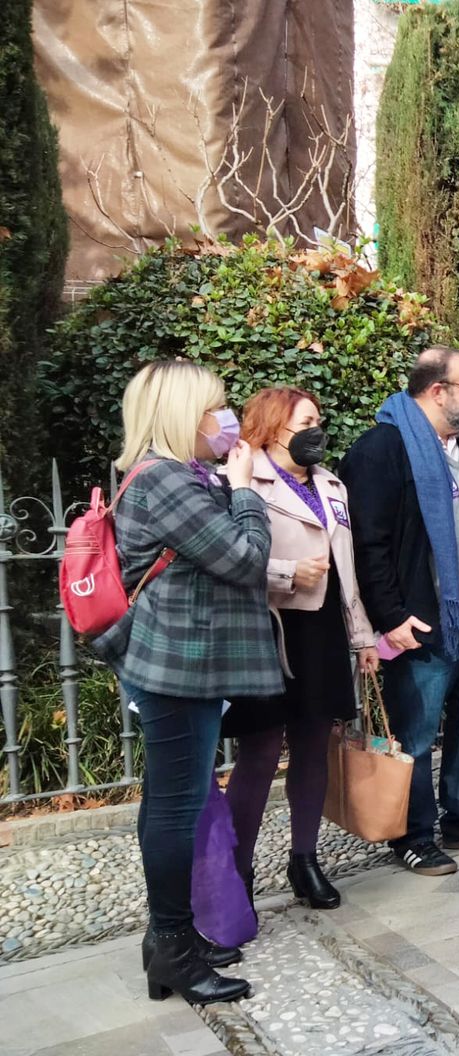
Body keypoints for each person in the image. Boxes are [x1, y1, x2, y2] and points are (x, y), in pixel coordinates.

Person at [94, 360, 278, 1005]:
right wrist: (246, 490)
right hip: (175, 666)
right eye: (213, 407)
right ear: (181, 414)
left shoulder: (175, 476)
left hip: (180, 664)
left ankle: (166, 944)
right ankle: (173, 945)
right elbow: (245, 558)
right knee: (176, 806)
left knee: (170, 801)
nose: (223, 418)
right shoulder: (166, 480)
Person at [342, 347, 459, 877]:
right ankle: (413, 835)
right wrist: (391, 617)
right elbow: (368, 544)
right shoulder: (383, 448)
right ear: (437, 391)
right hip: (420, 621)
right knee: (416, 733)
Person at [222, 387, 380, 912]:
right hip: (266, 629)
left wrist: (362, 637)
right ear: (272, 427)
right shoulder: (242, 479)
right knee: (260, 753)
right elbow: (228, 556)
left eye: (318, 420)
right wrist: (287, 573)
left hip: (323, 630)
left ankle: (305, 860)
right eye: (306, 422)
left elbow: (347, 570)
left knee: (314, 748)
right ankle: (237, 872)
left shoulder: (331, 484)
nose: (317, 431)